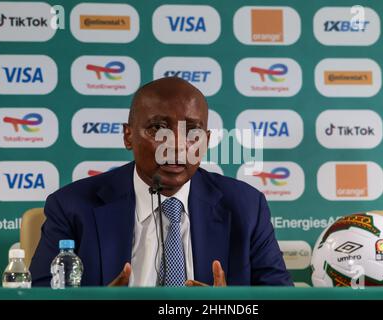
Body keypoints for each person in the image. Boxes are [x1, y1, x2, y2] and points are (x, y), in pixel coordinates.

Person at [30, 77, 294, 287]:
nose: (177, 146)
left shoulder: (246, 207)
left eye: (192, 131)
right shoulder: (72, 206)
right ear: (128, 136)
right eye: (158, 129)